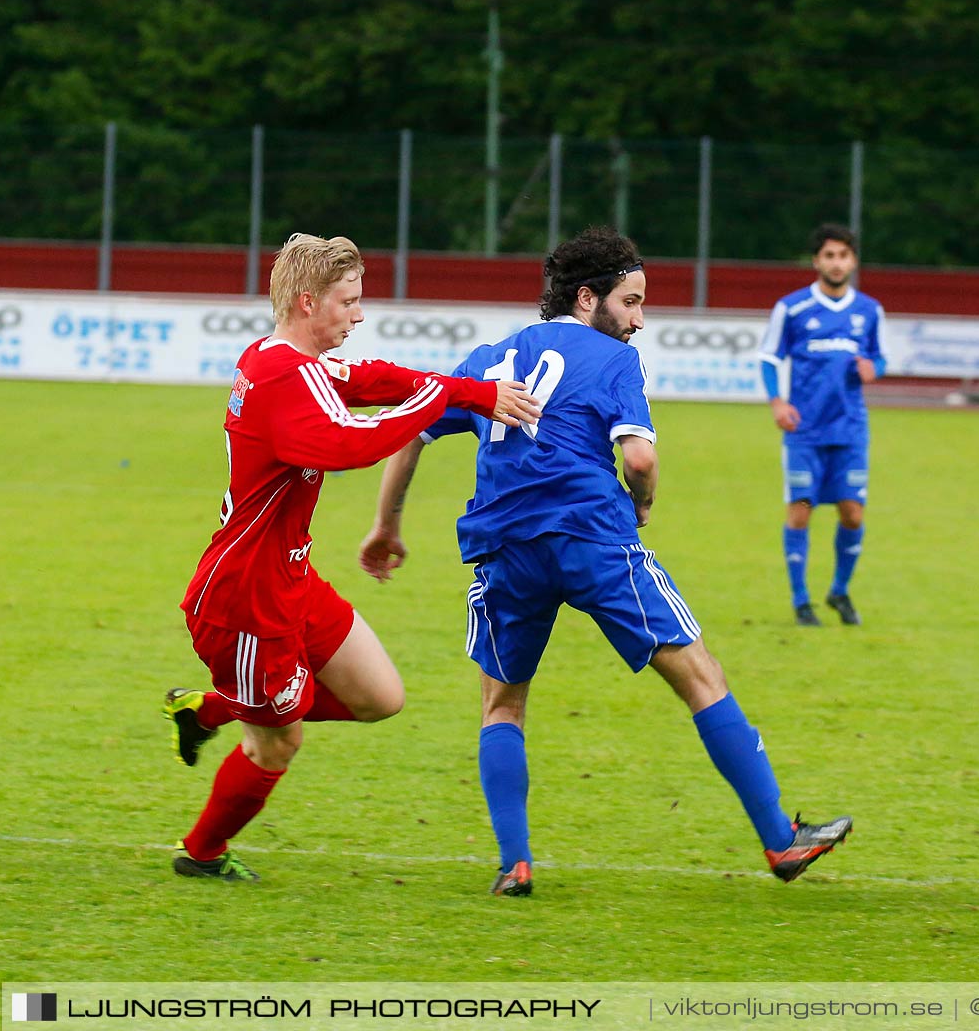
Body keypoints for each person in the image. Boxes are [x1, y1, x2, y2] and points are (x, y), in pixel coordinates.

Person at [358, 226, 852, 896]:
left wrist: (387, 526)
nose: (640, 319)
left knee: (502, 706)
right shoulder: (613, 360)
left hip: (506, 548)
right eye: (632, 302)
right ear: (588, 298)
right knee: (701, 676)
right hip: (594, 539)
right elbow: (640, 458)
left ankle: (515, 863)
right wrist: (642, 503)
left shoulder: (488, 357)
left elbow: (409, 434)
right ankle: (779, 840)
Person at [162, 232, 540, 882]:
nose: (358, 315)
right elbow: (344, 444)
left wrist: (468, 392)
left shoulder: (280, 357)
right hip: (246, 602)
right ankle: (201, 854)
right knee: (277, 741)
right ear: (309, 302)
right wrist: (437, 403)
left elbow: (370, 380)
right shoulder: (281, 375)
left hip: (289, 577)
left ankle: (211, 707)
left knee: (378, 696)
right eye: (349, 301)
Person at [757, 223, 887, 627]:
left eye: (843, 255)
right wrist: (778, 401)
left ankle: (840, 591)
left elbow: (879, 359)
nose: (836, 262)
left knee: (852, 514)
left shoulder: (869, 311)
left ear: (853, 261)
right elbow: (768, 358)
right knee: (801, 510)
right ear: (817, 261)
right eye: (829, 255)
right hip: (804, 431)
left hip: (850, 430)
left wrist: (873, 368)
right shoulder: (792, 308)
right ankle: (801, 601)